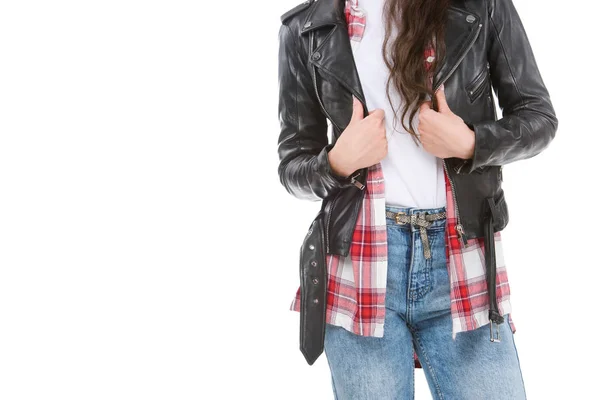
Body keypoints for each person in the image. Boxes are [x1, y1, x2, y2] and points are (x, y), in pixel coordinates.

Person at [276, 0, 558, 398]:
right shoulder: (307, 27)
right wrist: (337, 161)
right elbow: (292, 165)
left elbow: (539, 117)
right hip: (360, 266)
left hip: (461, 259)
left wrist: (472, 142)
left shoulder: (482, 5)